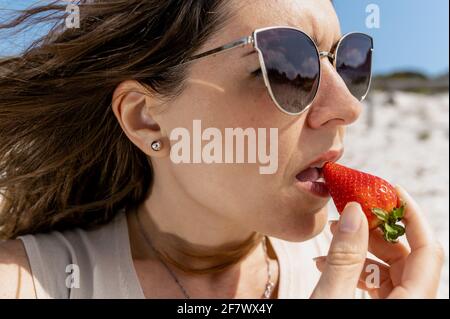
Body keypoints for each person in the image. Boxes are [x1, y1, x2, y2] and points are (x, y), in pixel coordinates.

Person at [0, 0, 444, 299]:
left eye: (346, 63)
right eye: (287, 68)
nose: (347, 107)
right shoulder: (25, 283)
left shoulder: (370, 285)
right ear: (146, 118)